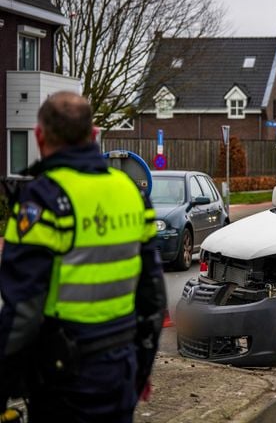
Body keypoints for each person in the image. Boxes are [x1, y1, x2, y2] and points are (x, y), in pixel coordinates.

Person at [0, 92, 167, 421]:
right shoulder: (129, 191)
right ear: (93, 135)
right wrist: (140, 370)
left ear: (39, 136)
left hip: (64, 381)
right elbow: (153, 297)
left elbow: (22, 313)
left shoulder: (42, 200)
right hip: (121, 371)